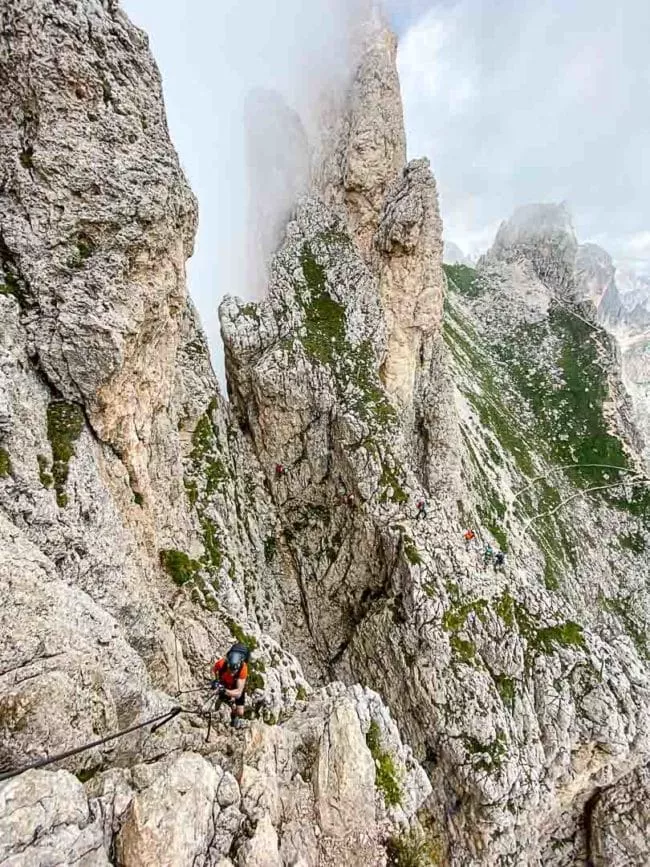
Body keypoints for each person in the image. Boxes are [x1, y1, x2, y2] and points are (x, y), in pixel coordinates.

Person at [212, 643, 249, 728]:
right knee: (220, 699)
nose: (232, 673)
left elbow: (238, 693)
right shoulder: (222, 663)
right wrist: (214, 680)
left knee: (240, 712)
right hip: (225, 683)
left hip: (236, 685)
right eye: (230, 670)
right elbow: (213, 669)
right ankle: (216, 712)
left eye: (234, 671)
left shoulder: (243, 669)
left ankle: (234, 716)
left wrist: (225, 691)